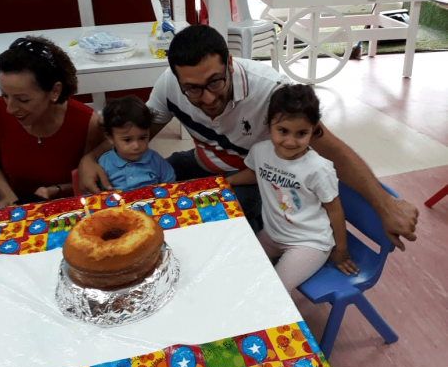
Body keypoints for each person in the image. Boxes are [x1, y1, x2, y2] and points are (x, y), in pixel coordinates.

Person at [78, 24, 419, 251]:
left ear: (230, 63)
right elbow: (136, 134)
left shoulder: (271, 92)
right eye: (192, 89)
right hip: (204, 162)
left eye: (215, 82)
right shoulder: (170, 85)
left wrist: (384, 203)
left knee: (204, 222)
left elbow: (333, 150)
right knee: (145, 188)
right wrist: (90, 158)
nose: (207, 98)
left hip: (256, 179)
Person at [227, 84, 359, 295]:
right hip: (272, 235)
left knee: (274, 293)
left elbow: (334, 210)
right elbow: (256, 173)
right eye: (283, 131)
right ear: (268, 123)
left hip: (309, 242)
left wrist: (341, 250)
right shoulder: (260, 151)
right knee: (239, 269)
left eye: (301, 133)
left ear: (313, 129)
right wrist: (229, 181)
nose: (290, 141)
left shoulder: (319, 169)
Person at [0, 36, 103, 207]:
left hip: (68, 209)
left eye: (23, 100)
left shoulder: (88, 124)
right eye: (5, 95)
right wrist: (7, 196)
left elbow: (91, 182)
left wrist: (57, 190)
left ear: (55, 91)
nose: (10, 109)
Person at [98, 95, 175, 190]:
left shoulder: (155, 160)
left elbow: (170, 182)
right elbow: (97, 193)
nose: (136, 146)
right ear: (110, 138)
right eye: (127, 140)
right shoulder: (104, 163)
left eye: (142, 138)